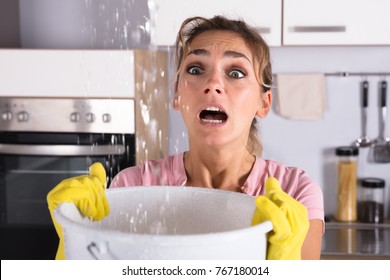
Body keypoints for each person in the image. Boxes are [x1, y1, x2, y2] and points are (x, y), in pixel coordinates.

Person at [48, 15, 324, 260]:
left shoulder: (294, 194)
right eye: (195, 69)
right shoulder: (133, 186)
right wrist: (72, 237)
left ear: (263, 104)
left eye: (236, 73)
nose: (213, 84)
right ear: (177, 96)